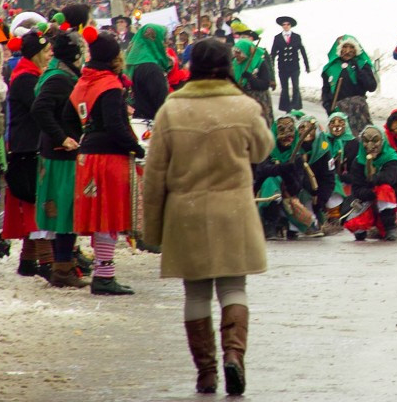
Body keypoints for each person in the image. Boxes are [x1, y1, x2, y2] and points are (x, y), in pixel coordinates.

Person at [144, 37, 273, 396]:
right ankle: (234, 354)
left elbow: (154, 175)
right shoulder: (244, 106)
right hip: (233, 211)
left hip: (185, 214)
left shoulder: (171, 110)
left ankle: (206, 372)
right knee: (234, 287)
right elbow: (263, 149)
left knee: (196, 293)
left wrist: (152, 230)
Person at [71, 29, 146, 295]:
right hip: (108, 157)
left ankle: (104, 274)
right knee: (108, 216)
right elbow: (115, 126)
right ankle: (104, 276)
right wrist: (136, 148)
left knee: (102, 216)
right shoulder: (111, 86)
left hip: (89, 154)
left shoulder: (86, 81)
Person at [31, 31, 90, 289]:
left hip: (57, 152)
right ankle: (63, 267)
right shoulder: (60, 79)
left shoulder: (59, 74)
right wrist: (62, 136)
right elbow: (40, 109)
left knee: (61, 211)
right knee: (65, 211)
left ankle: (62, 264)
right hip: (61, 154)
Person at [3, 30, 55, 278]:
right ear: (35, 55)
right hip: (28, 146)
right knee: (36, 202)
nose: (49, 55)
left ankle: (28, 259)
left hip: (27, 145)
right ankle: (46, 258)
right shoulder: (26, 79)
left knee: (31, 202)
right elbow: (41, 109)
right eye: (45, 52)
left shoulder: (30, 75)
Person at [341, 125, 397, 242]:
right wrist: (371, 194)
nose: (370, 145)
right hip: (367, 198)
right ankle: (361, 230)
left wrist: (373, 177)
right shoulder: (358, 161)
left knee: (385, 189)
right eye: (366, 141)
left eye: (375, 141)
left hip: (386, 199)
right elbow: (357, 189)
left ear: (382, 141)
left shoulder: (391, 158)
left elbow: (389, 179)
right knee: (355, 223)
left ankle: (389, 228)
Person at [321, 35, 377, 133]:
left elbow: (371, 86)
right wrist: (329, 108)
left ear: (356, 50)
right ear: (339, 49)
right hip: (339, 113)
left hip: (359, 112)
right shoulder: (331, 68)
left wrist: (357, 69)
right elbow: (326, 91)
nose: (348, 51)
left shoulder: (362, 65)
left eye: (351, 47)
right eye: (345, 47)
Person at [124, 23, 171, 122]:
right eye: (163, 40)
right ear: (155, 40)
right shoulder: (152, 69)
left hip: (140, 119)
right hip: (152, 123)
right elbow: (161, 102)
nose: (166, 44)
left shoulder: (137, 64)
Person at [232, 37, 275, 128]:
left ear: (246, 52)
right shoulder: (235, 63)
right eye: (235, 52)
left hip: (258, 99)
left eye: (238, 53)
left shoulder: (259, 63)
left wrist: (250, 78)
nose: (236, 55)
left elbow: (265, 84)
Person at [270, 17, 309, 112]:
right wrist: (271, 67)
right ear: (282, 26)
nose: (286, 26)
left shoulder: (296, 37)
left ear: (290, 26)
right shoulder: (277, 37)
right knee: (284, 87)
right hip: (283, 66)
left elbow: (302, 51)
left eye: (288, 24)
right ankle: (285, 106)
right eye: (284, 25)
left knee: (295, 86)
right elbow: (273, 53)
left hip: (294, 66)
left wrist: (306, 65)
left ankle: (296, 106)